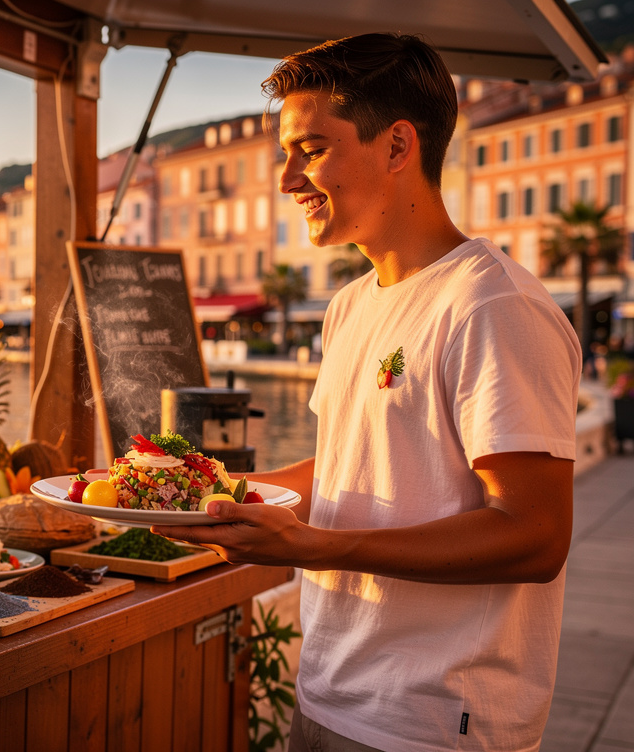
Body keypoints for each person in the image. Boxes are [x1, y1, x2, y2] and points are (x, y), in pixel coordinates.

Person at [155, 33, 580, 752]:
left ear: (397, 145)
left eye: (311, 150)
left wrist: (316, 547)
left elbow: (534, 535)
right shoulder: (350, 305)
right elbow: (343, 469)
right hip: (329, 692)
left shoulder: (493, 304)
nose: (287, 180)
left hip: (431, 721)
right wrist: (210, 494)